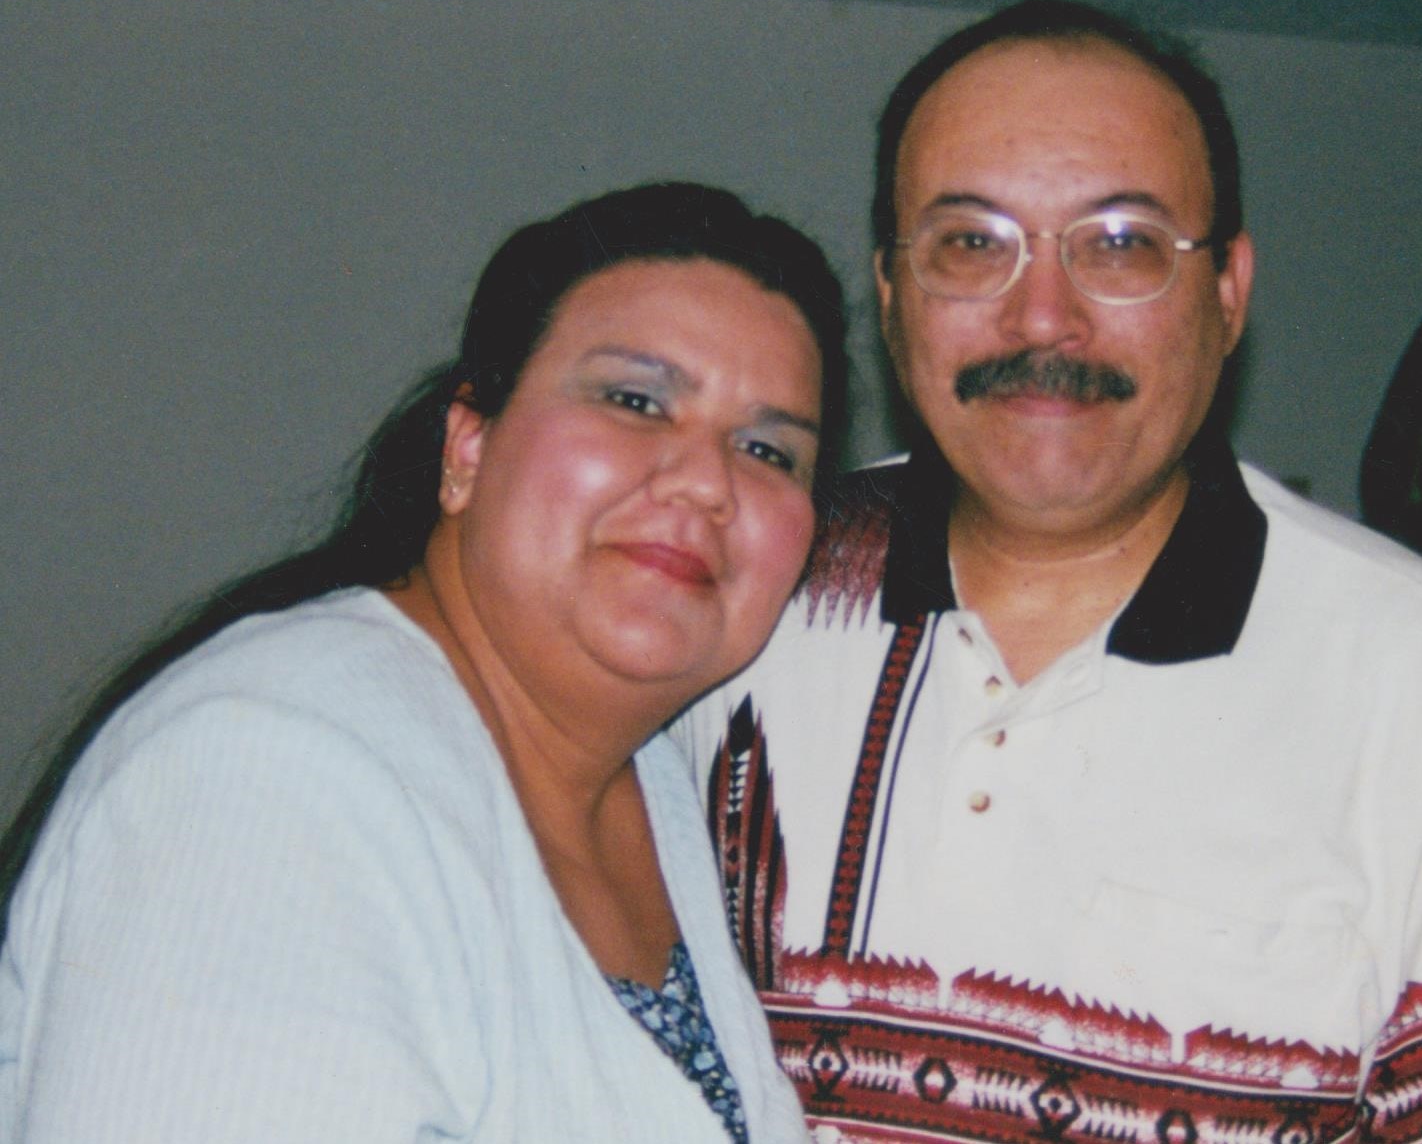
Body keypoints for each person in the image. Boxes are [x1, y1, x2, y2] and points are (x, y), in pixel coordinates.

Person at [673, 2, 1422, 1142]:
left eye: (1121, 244)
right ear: (892, 294)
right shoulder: (742, 585)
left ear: (1227, 293)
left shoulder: (1417, 674)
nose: (1043, 319)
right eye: (971, 243)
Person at [0, 182, 848, 1143]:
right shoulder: (271, 773)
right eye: (635, 401)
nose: (706, 482)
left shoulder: (663, 782)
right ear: (468, 448)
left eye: (768, 451)